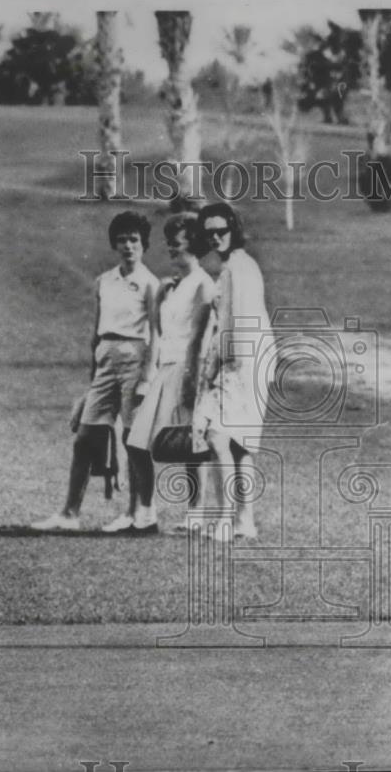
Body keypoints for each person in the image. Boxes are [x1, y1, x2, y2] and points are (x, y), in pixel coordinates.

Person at [32, 211, 160, 532]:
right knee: (85, 438)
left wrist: (146, 376)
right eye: (122, 240)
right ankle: (69, 514)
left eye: (133, 240)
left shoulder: (150, 284)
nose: (128, 246)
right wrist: (90, 386)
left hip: (136, 357)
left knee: (133, 439)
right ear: (114, 244)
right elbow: (95, 334)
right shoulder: (104, 281)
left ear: (143, 244)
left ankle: (135, 513)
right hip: (106, 358)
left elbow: (156, 335)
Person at [125, 213, 215, 533]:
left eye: (176, 241)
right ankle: (146, 515)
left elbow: (198, 338)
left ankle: (195, 515)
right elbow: (158, 331)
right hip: (165, 369)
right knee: (137, 442)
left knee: (191, 446)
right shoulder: (172, 286)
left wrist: (193, 379)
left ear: (193, 242)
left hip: (189, 369)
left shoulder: (205, 285)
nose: (170, 247)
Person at [192, 203, 273, 541]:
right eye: (210, 233)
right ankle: (244, 521)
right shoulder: (239, 265)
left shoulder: (236, 269)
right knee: (241, 446)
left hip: (243, 360)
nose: (215, 238)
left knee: (217, 436)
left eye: (221, 231)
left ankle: (226, 519)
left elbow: (236, 323)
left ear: (233, 231)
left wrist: (217, 367)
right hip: (255, 358)